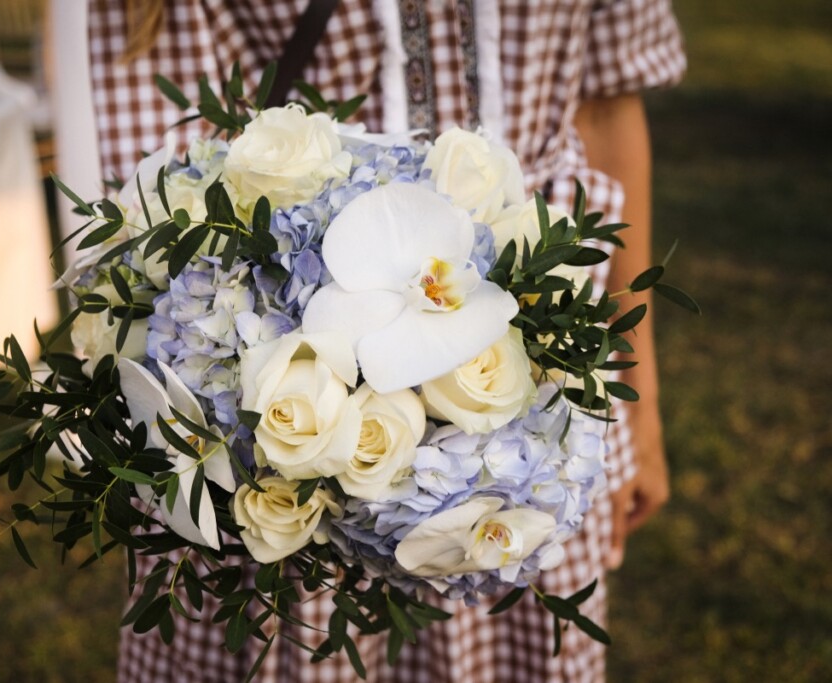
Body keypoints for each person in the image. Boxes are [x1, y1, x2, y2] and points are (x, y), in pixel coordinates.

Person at [76, 1, 685, 680]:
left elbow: (603, 111)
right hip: (294, 394)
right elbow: (159, 167)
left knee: (515, 606)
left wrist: (642, 402)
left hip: (539, 374)